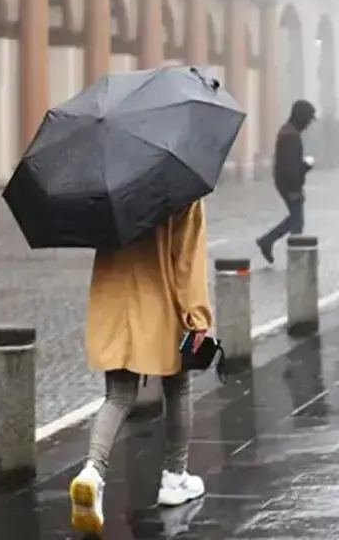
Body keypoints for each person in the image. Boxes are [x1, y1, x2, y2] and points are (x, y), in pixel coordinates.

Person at [69, 200, 212, 536]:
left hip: (113, 299)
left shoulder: (109, 188)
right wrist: (197, 316)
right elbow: (187, 260)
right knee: (178, 385)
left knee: (118, 396)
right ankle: (174, 477)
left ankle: (93, 471)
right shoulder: (183, 190)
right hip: (162, 302)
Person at [256, 100, 316, 264]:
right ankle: (296, 259)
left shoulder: (288, 132)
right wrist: (305, 168)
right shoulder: (291, 135)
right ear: (302, 117)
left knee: (296, 219)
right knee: (297, 222)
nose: (309, 123)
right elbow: (290, 167)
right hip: (289, 183)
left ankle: (268, 241)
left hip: (286, 181)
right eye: (309, 119)